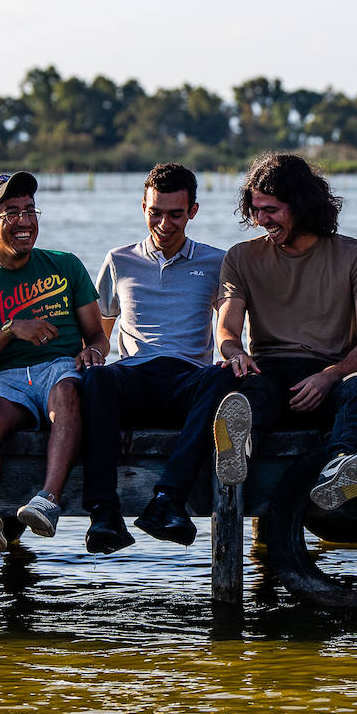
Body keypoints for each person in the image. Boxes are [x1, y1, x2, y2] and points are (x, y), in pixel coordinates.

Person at [79, 163, 237, 554]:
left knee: (222, 377)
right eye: (155, 212)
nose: (164, 223)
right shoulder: (119, 260)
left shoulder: (218, 262)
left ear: (193, 211)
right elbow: (102, 333)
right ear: (143, 207)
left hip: (187, 382)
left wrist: (235, 354)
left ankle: (167, 500)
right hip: (134, 378)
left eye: (176, 214)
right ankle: (103, 512)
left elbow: (226, 330)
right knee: (95, 378)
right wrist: (90, 352)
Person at [214, 153, 357, 508]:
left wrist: (329, 377)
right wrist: (237, 354)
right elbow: (227, 330)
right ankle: (240, 453)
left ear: (302, 204)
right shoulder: (241, 258)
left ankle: (338, 467)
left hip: (329, 376)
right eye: (256, 209)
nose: (261, 219)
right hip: (269, 372)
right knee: (249, 393)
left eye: (271, 209)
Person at [0, 171, 109, 554]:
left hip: (58, 367)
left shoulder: (65, 265)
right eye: (11, 213)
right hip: (5, 379)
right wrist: (10, 331)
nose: (24, 221)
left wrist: (95, 353)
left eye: (29, 210)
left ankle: (47, 502)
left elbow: (98, 335)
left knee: (69, 389)